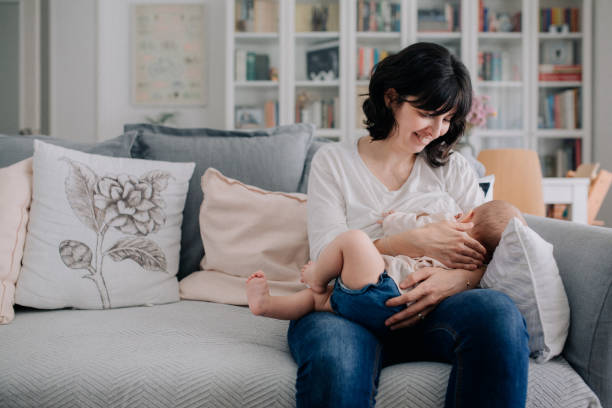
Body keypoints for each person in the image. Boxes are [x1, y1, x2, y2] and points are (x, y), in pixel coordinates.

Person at [278, 42, 530, 407]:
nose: (437, 130)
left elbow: (493, 250)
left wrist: (455, 280)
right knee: (336, 358)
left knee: (500, 315)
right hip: (350, 311)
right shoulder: (333, 162)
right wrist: (413, 241)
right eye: (429, 113)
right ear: (391, 97)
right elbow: (325, 259)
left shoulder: (453, 167)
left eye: (447, 119)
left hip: (436, 310)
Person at [246, 200, 525, 338]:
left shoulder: (449, 224)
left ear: (470, 215)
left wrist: (393, 219)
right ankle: (268, 304)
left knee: (353, 241)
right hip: (404, 310)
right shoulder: (482, 262)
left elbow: (405, 224)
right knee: (321, 302)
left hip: (385, 288)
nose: (438, 127)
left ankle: (316, 277)